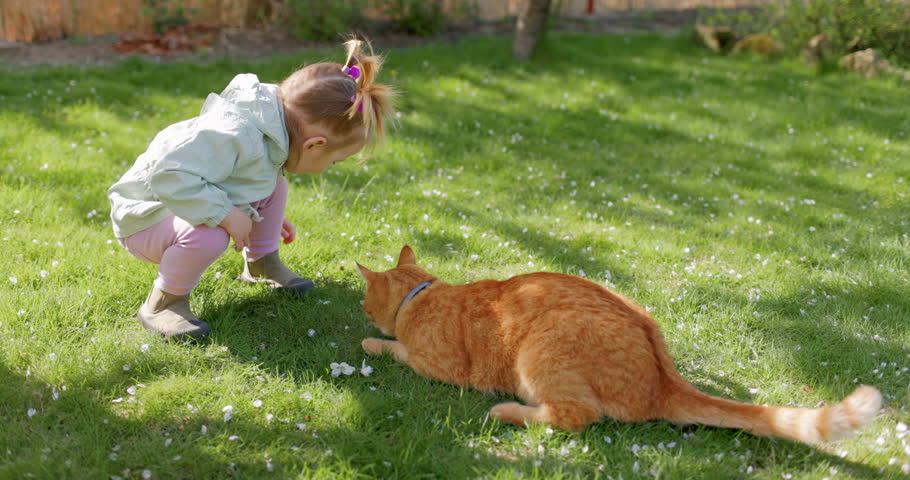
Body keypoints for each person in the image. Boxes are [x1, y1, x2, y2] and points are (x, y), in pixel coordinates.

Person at [107, 38, 395, 340]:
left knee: (275, 185)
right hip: (145, 217)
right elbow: (168, 176)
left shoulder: (271, 131)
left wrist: (253, 211)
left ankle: (261, 263)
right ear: (314, 145)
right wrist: (227, 214)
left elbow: (237, 179)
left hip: (178, 200)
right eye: (335, 161)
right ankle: (163, 303)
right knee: (210, 235)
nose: (331, 166)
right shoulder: (236, 135)